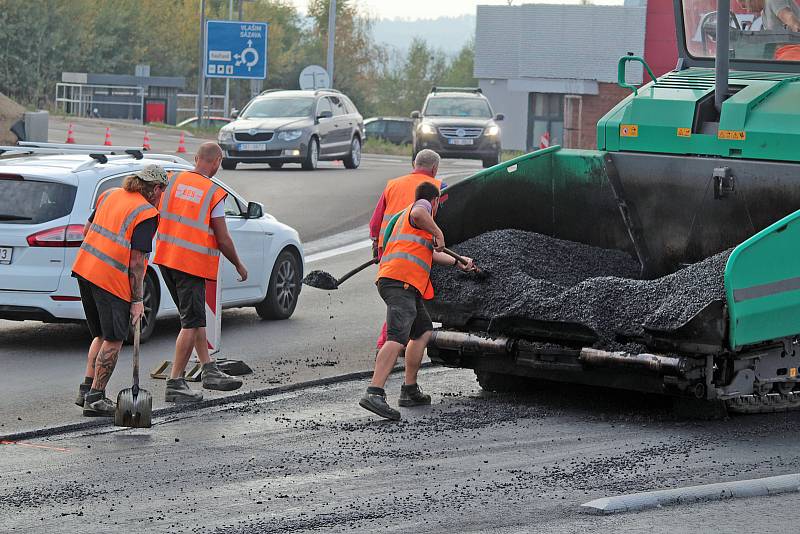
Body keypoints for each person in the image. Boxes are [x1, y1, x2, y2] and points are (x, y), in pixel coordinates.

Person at [360, 181, 474, 421]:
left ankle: (409, 390)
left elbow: (430, 253)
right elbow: (420, 212)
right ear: (434, 201)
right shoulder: (421, 207)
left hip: (406, 285)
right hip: (400, 282)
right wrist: (439, 232)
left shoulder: (412, 225)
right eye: (437, 206)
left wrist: (458, 261)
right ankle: (374, 392)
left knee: (422, 331)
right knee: (396, 337)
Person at [154, 142, 248, 402]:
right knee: (191, 321)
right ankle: (175, 382)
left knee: (194, 317)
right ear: (217, 162)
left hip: (166, 259)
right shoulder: (212, 193)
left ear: (195, 158)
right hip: (190, 264)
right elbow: (223, 238)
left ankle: (208, 369)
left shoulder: (172, 182)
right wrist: (239, 264)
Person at [72, 165, 168, 417]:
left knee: (101, 334)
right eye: (162, 190)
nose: (162, 196)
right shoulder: (146, 213)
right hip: (110, 280)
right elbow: (136, 262)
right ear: (156, 189)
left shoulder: (110, 194)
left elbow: (86, 231)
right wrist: (137, 300)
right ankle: (96, 397)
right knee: (114, 339)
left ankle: (86, 389)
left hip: (85, 269)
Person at [368, 149, 446, 352]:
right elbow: (440, 220)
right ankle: (391, 342)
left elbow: (376, 220)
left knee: (397, 297)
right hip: (415, 249)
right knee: (404, 298)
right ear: (435, 169)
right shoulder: (438, 188)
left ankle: (399, 339)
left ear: (414, 164)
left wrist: (376, 245)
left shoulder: (393, 184)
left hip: (389, 247)